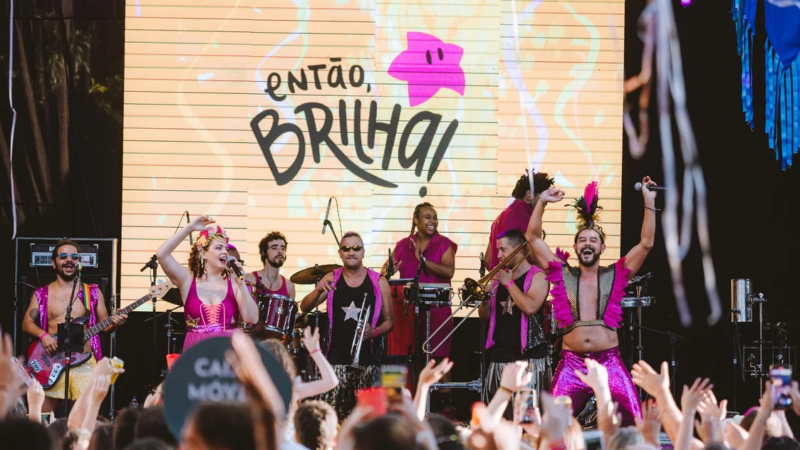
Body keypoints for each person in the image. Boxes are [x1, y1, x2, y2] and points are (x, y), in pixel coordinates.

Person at [525, 178, 658, 426]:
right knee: (550, 427)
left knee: (636, 424)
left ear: (603, 247)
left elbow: (646, 243)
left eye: (593, 240)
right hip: (571, 364)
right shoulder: (563, 275)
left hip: (609, 362)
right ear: (575, 247)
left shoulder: (615, 274)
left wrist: (648, 202)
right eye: (583, 240)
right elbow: (532, 238)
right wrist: (542, 201)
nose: (588, 243)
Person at [21, 238, 128, 412]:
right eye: (63, 256)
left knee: (86, 416)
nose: (69, 259)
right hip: (52, 364)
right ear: (54, 263)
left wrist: (116, 323)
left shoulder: (92, 292)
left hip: (84, 362)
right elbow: (26, 324)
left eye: (74, 256)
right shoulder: (42, 294)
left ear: (79, 262)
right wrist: (44, 336)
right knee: (43, 417)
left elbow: (106, 326)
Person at [300, 231, 394, 420]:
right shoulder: (331, 278)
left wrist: (373, 332)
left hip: (368, 363)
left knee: (366, 424)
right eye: (347, 248)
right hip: (335, 363)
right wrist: (319, 290)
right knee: (333, 421)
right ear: (340, 253)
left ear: (363, 252)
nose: (352, 252)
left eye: (356, 248)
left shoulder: (379, 282)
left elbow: (389, 322)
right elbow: (304, 306)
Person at [155, 215, 259, 350]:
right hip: (197, 350)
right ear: (204, 253)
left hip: (228, 351)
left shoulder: (233, 283)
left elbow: (252, 319)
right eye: (219, 248)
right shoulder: (187, 279)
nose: (225, 252)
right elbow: (162, 254)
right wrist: (189, 228)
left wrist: (241, 284)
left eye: (226, 249)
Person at [478, 229, 550, 419]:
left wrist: (509, 284)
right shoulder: (497, 278)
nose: (499, 255)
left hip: (529, 360)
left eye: (503, 250)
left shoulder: (538, 276)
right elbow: (485, 318)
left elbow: (530, 307)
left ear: (518, 249)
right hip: (500, 357)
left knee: (527, 421)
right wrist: (484, 300)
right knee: (496, 423)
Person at [382, 202, 456, 365]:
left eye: (435, 218)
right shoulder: (403, 245)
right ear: (416, 220)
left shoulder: (444, 244)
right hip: (408, 314)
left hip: (437, 313)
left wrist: (424, 261)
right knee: (411, 360)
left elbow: (449, 271)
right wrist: (389, 270)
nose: (433, 221)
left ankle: (441, 392)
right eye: (427, 217)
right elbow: (384, 272)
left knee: (439, 361)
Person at [485, 171, 555, 270]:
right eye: (542, 199)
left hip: (499, 281)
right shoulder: (524, 216)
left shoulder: (498, 219)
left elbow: (488, 261)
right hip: (519, 283)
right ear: (528, 195)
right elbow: (535, 259)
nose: (543, 206)